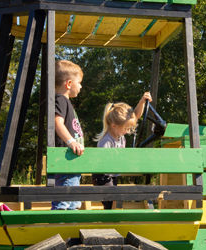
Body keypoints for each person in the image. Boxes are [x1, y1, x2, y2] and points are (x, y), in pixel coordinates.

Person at [92, 92, 152, 209]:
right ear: (114, 125)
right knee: (113, 202)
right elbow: (101, 162)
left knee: (113, 204)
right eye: (126, 128)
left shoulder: (119, 135)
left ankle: (110, 223)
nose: (128, 131)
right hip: (103, 177)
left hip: (112, 176)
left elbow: (135, 116)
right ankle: (111, 223)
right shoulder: (106, 141)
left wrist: (142, 102)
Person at [51, 60, 85, 210]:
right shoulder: (60, 100)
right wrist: (71, 141)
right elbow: (57, 123)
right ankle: (56, 229)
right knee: (64, 202)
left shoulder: (66, 102)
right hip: (65, 160)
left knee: (74, 203)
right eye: (79, 82)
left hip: (72, 162)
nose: (81, 86)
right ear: (69, 83)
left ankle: (68, 230)